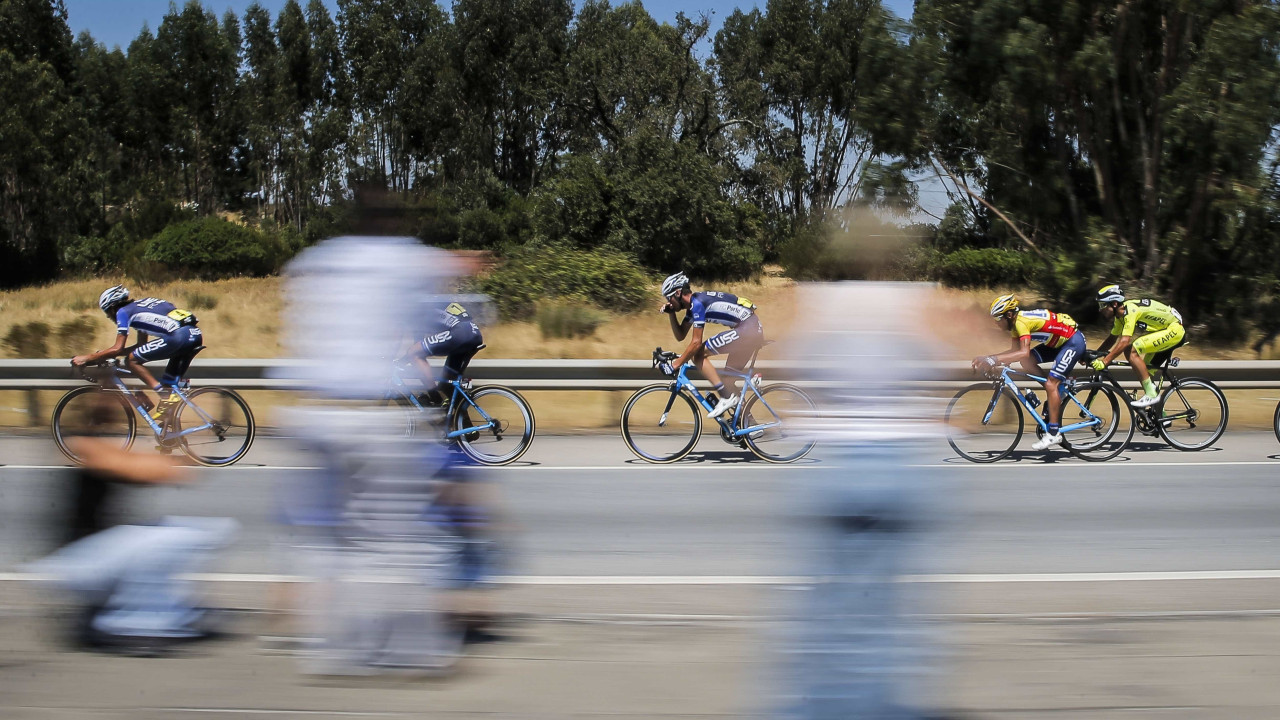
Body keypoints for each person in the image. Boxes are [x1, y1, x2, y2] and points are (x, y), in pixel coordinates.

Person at [972, 293, 1085, 450]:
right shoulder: (1015, 325)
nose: (996, 323)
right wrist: (990, 357)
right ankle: (1053, 387)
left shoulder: (1021, 323)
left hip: (1072, 342)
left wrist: (995, 360)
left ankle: (1053, 434)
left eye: (998, 318)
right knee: (1027, 362)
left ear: (1009, 315)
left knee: (1048, 382)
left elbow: (1023, 352)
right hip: (1057, 342)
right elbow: (1015, 351)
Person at [71, 285, 203, 420]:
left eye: (107, 312)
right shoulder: (141, 307)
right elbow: (141, 346)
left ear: (112, 307)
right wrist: (104, 354)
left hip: (179, 337)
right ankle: (172, 434)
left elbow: (118, 348)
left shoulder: (122, 312)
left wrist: (87, 358)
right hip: (194, 334)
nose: (109, 317)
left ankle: (163, 394)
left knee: (131, 361)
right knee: (169, 387)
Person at [660, 271, 765, 418]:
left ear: (677, 292)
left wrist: (675, 365)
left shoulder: (697, 304)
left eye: (668, 297)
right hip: (749, 329)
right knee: (727, 381)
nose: (668, 302)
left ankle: (726, 397)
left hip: (748, 329)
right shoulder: (692, 308)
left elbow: (696, 343)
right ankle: (747, 423)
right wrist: (671, 313)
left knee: (698, 355)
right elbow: (680, 335)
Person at [1091, 284, 1185, 408]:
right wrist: (1093, 355)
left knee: (1130, 350)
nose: (1100, 309)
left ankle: (1151, 394)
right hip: (1164, 331)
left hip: (1175, 330)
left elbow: (1124, 342)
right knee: (1144, 372)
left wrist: (1105, 362)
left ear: (1114, 304)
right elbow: (1112, 339)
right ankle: (1159, 416)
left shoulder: (1130, 311)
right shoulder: (1120, 317)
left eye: (1103, 305)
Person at [403, 301, 484, 408]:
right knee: (446, 386)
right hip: (473, 334)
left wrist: (401, 361)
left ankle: (435, 398)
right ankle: (462, 422)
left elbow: (416, 348)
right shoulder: (433, 300)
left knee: (414, 353)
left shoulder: (418, 309)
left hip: (460, 332)